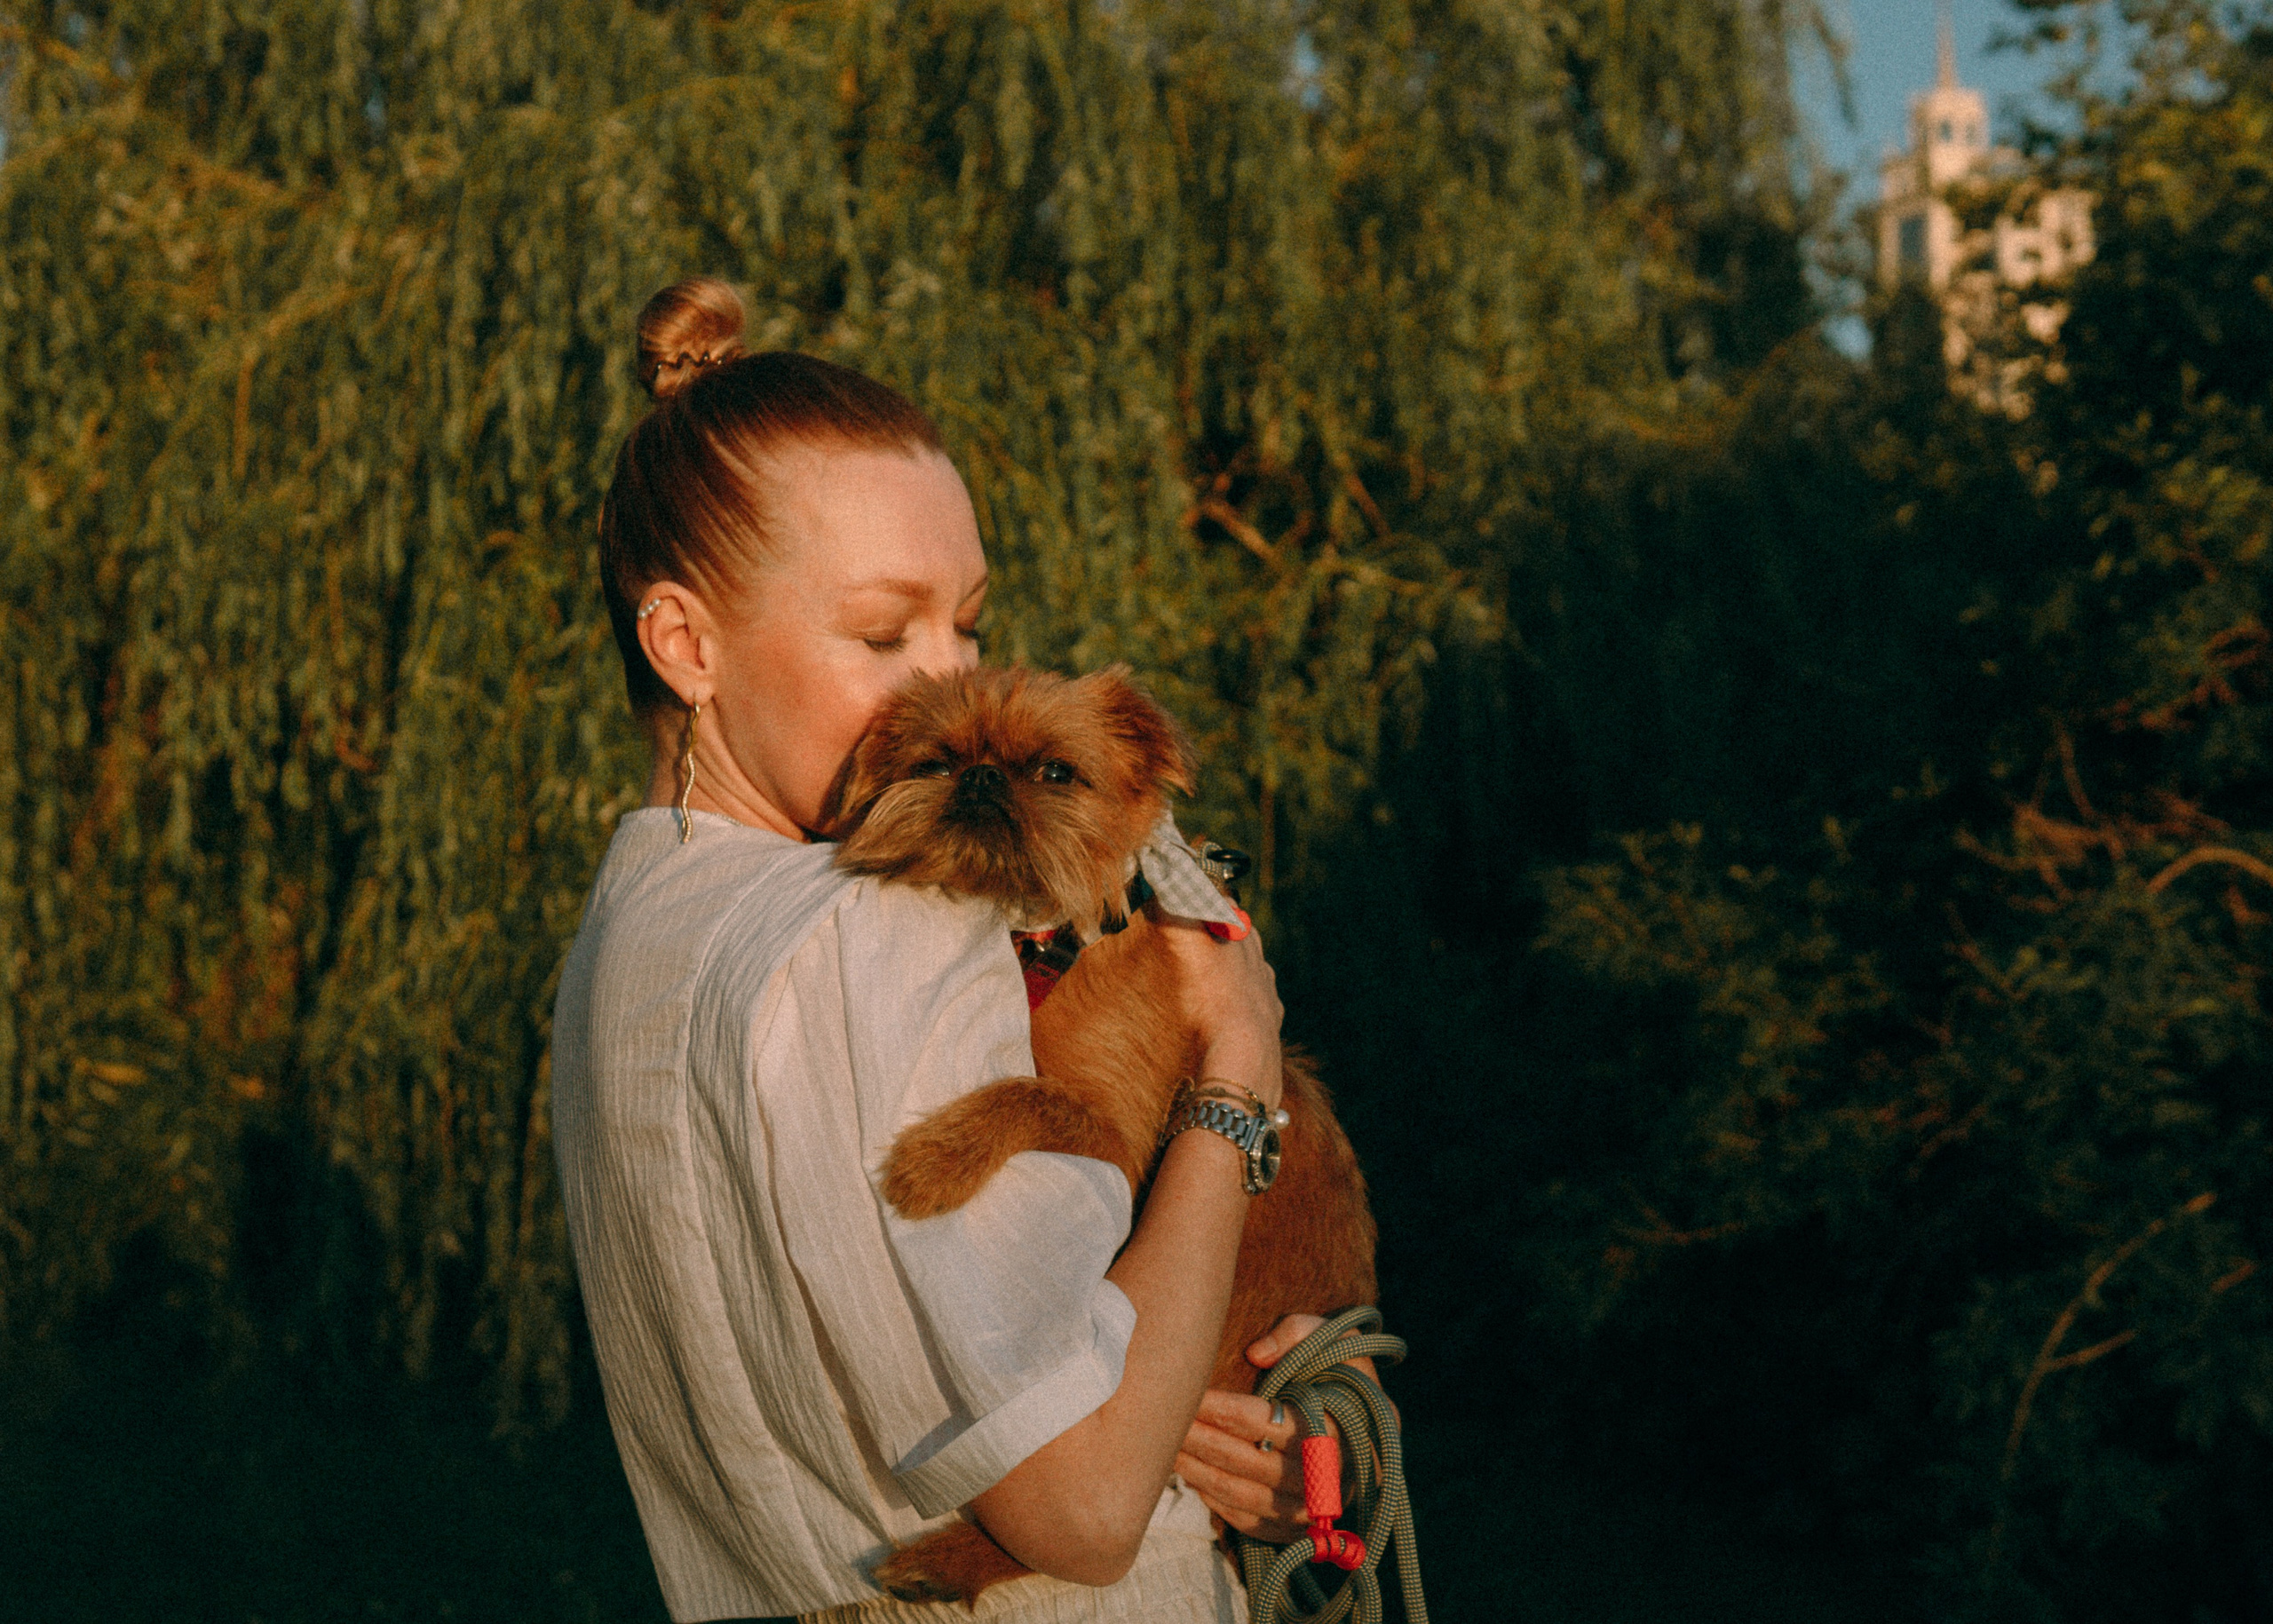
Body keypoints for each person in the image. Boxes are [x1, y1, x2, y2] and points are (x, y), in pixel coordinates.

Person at [550, 278, 1345, 1624]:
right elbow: (1088, 1505)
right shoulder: (886, 928)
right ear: (685, 643)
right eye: (882, 633)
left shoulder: (617, 952)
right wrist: (1237, 1075)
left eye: (965, 622)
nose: (945, 681)